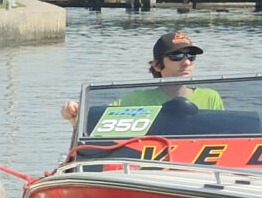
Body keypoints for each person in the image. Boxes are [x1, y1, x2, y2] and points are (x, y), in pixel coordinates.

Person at [62, 30, 223, 128]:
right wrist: (74, 112)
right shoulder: (138, 100)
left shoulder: (211, 97)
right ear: (157, 65)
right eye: (177, 56)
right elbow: (96, 122)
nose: (186, 62)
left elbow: (226, 134)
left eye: (191, 56)